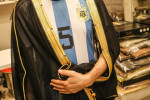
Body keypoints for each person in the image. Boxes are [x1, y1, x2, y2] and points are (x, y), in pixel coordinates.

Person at [11, 0, 120, 100]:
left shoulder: (91, 1)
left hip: (94, 90)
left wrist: (88, 78)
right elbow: (24, 70)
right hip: (54, 95)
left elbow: (110, 48)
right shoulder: (26, 8)